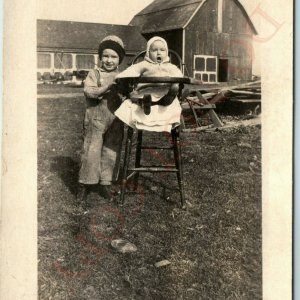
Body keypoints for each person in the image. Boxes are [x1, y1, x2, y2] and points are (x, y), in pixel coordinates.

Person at [77, 35, 125, 202]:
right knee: (92, 150)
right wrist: (105, 87)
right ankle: (85, 184)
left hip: (116, 119)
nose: (109, 60)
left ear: (119, 59)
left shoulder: (123, 76)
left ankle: (105, 183)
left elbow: (128, 94)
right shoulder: (94, 73)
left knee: (111, 150)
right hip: (96, 118)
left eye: (114, 57)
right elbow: (89, 91)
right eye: (106, 56)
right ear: (100, 57)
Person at [114, 36, 183, 133]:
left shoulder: (170, 67)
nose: (158, 53)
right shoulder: (143, 65)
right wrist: (120, 77)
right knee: (142, 97)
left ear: (166, 52)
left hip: (164, 92)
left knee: (174, 88)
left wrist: (178, 80)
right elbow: (131, 71)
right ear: (148, 52)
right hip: (146, 92)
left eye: (162, 50)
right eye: (154, 50)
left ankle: (169, 98)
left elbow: (178, 75)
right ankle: (145, 103)